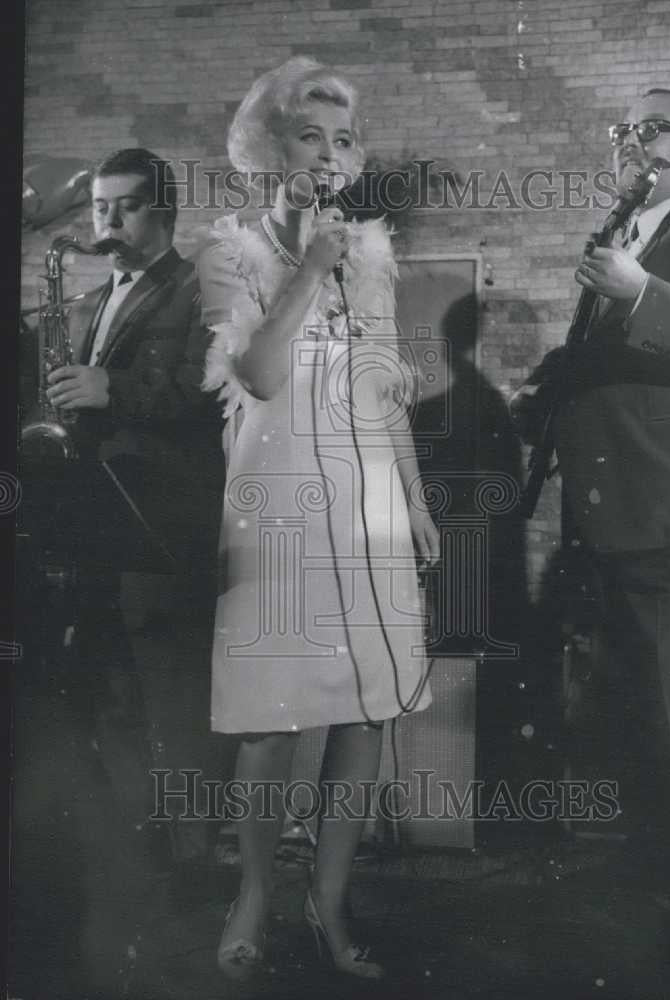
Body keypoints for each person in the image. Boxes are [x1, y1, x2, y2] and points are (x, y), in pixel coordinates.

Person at [198, 57, 439, 982]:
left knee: (366, 715)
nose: (333, 156)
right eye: (312, 136)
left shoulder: (371, 255)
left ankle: (329, 901)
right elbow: (254, 375)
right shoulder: (228, 249)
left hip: (370, 505)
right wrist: (309, 266)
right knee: (272, 718)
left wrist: (414, 500)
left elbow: (387, 394)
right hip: (277, 504)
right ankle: (254, 890)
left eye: (344, 139)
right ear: (268, 150)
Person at [514, 90, 670, 927]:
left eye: (652, 131)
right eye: (621, 132)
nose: (629, 142)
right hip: (616, 502)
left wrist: (641, 291)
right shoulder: (624, 232)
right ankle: (657, 860)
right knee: (637, 689)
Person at [15, 147, 223, 992]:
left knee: (175, 696)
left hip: (167, 524)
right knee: (117, 694)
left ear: (164, 211)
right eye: (98, 209)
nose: (105, 225)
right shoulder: (97, 295)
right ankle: (148, 851)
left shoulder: (201, 289)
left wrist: (110, 388)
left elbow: (204, 390)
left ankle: (195, 864)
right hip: (101, 519)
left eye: (124, 208)